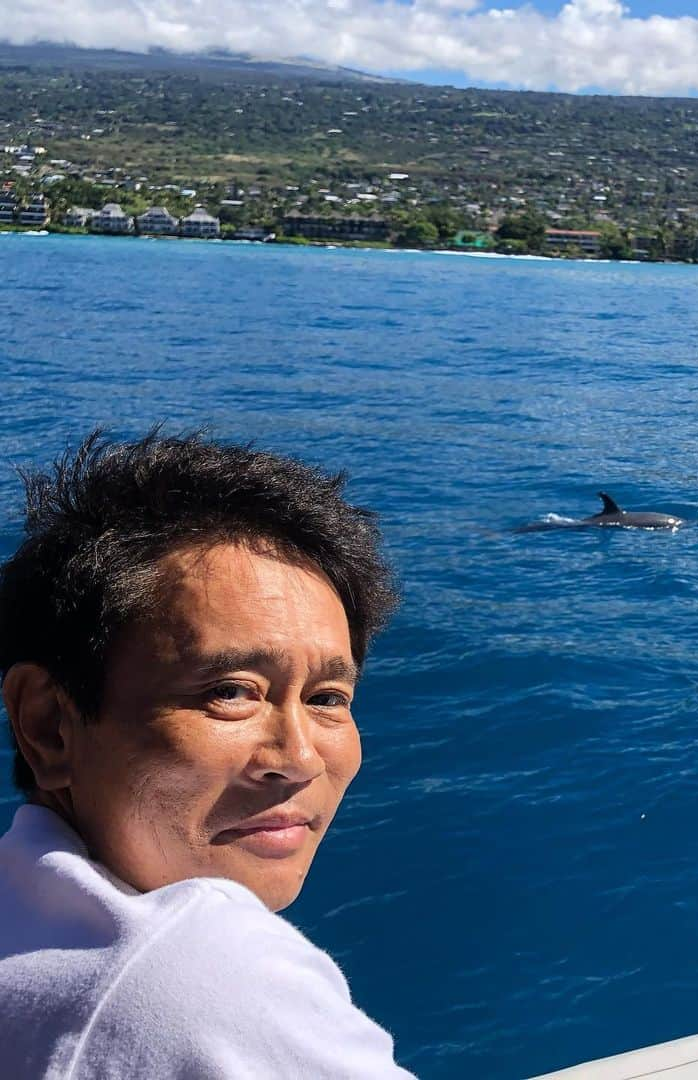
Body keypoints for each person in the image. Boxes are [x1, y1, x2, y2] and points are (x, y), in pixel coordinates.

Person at [0, 430, 416, 1079]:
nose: (300, 757)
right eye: (230, 693)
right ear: (49, 725)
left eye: (329, 697)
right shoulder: (209, 982)